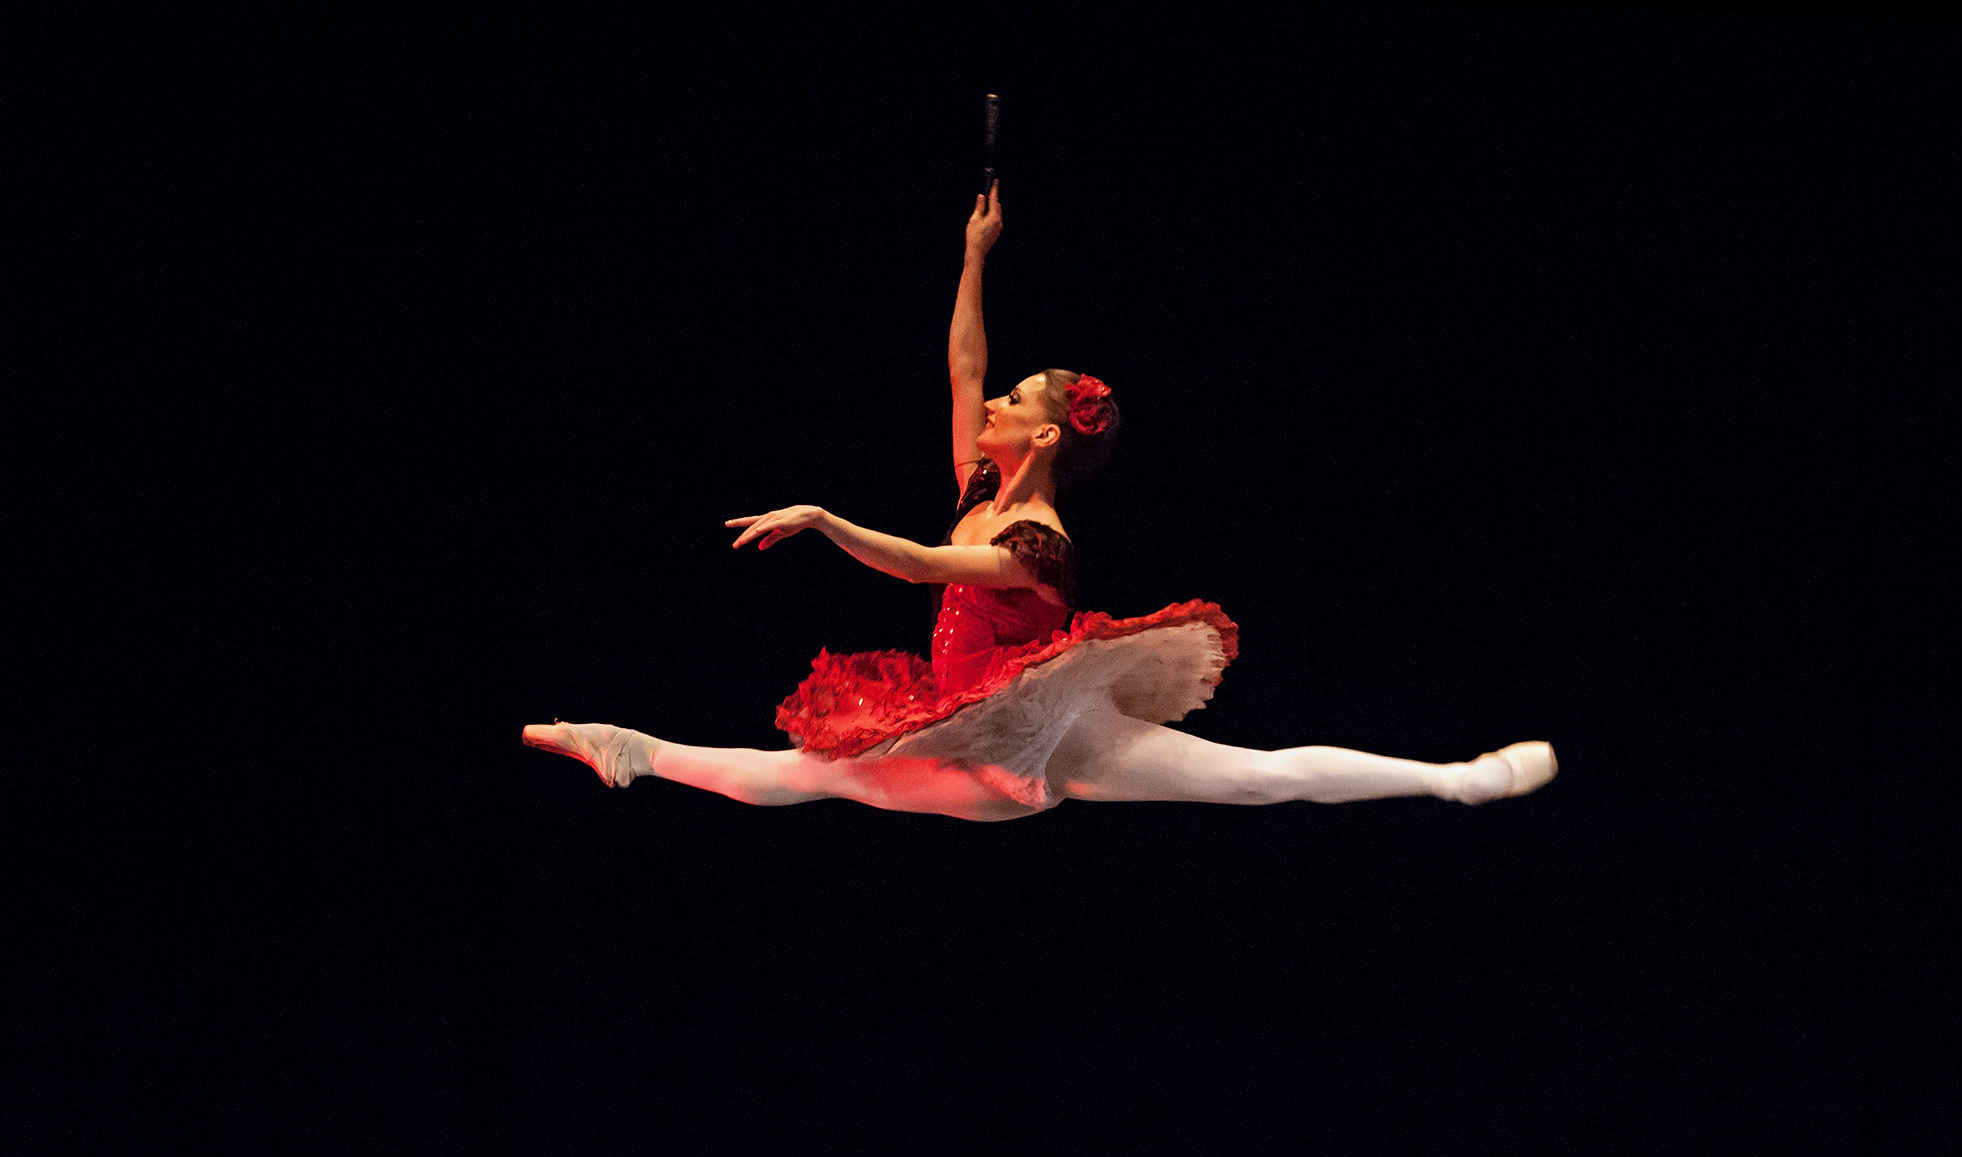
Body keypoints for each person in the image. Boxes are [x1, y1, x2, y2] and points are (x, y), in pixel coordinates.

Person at [523, 183, 1556, 822]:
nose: (991, 406)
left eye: (1014, 403)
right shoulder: (981, 483)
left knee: (1250, 780)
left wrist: (821, 519)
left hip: (1047, 739)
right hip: (968, 739)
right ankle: (636, 751)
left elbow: (927, 569)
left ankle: (1457, 781)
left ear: (1045, 436)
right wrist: (975, 256)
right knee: (806, 779)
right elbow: (961, 364)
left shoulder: (1034, 538)